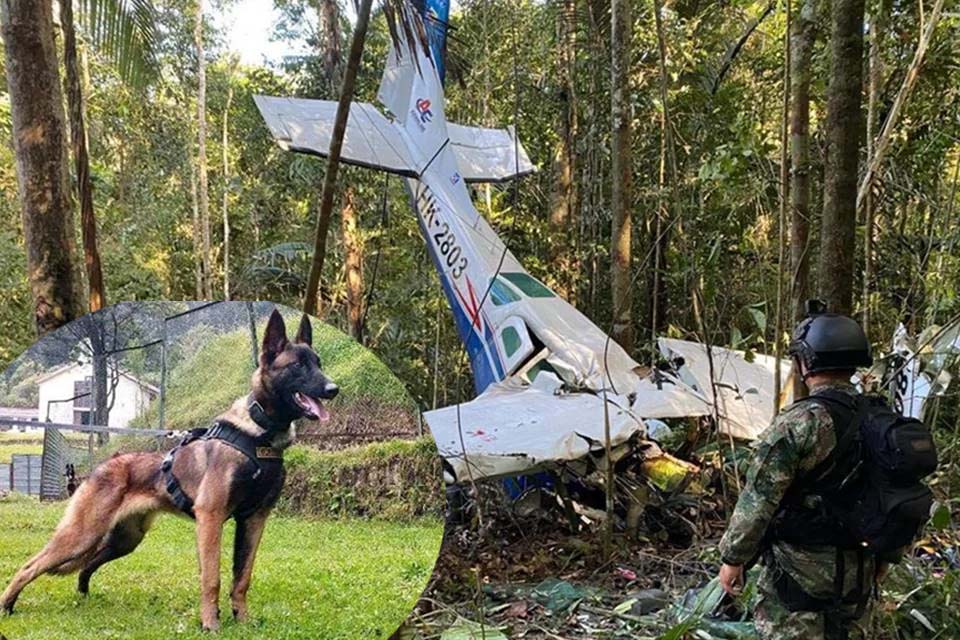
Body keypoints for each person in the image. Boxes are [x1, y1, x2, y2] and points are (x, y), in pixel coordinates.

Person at [716, 306, 884, 640]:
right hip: (860, 573)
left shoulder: (801, 422)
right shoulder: (880, 418)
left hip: (798, 576)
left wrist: (733, 558)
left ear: (806, 362)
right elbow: (897, 490)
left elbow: (758, 500)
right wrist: (887, 556)